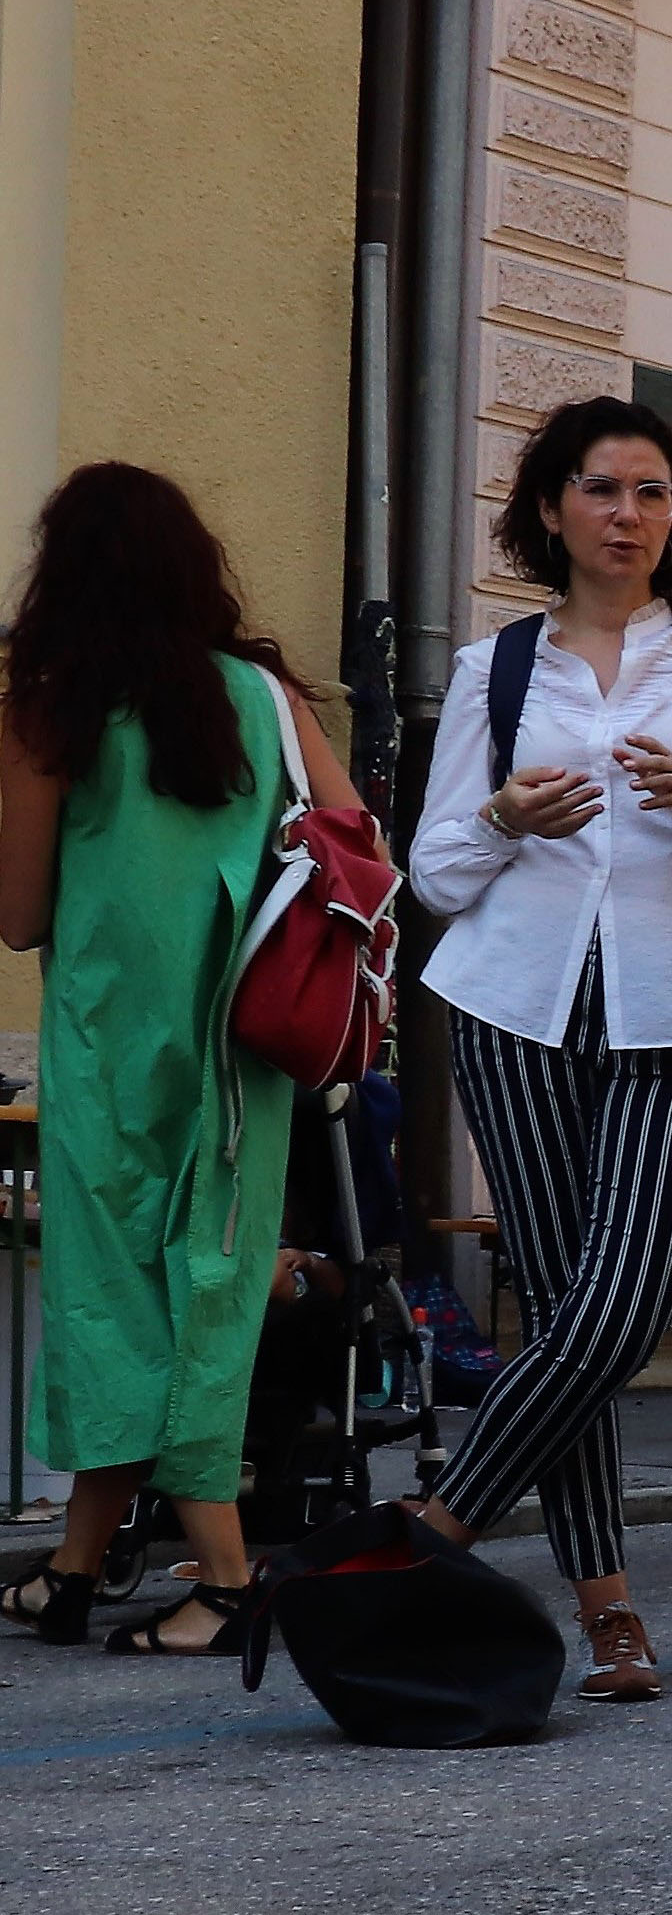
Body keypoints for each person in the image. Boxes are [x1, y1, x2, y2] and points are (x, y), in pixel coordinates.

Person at [396, 394, 672, 1704]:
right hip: (513, 1012)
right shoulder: (497, 669)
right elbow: (433, 870)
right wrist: (502, 813)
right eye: (604, 489)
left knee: (618, 1306)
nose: (629, 515)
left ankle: (436, 1528)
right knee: (560, 1306)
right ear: (552, 506)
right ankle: (608, 1606)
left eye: (653, 493)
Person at [0, 465, 367, 1656]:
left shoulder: (53, 702)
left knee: (113, 1293)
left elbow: (16, 912)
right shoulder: (262, 697)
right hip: (247, 1041)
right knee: (207, 1283)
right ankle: (72, 1567)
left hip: (112, 1042)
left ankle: (226, 1572)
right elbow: (354, 843)